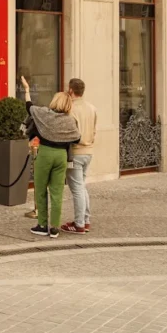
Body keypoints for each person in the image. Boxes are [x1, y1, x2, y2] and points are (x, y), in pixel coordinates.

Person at [20, 76, 79, 238]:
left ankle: (42, 225)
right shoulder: (70, 120)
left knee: (40, 190)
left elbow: (29, 106)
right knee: (57, 192)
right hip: (61, 156)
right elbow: (76, 138)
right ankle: (54, 228)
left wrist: (27, 89)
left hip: (45, 153)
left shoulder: (45, 114)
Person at [62, 78, 97, 235]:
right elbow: (94, 130)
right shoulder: (92, 108)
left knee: (77, 189)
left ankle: (79, 224)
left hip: (75, 152)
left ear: (71, 90)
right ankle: (85, 220)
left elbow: (70, 134)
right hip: (88, 151)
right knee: (81, 187)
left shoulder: (71, 109)